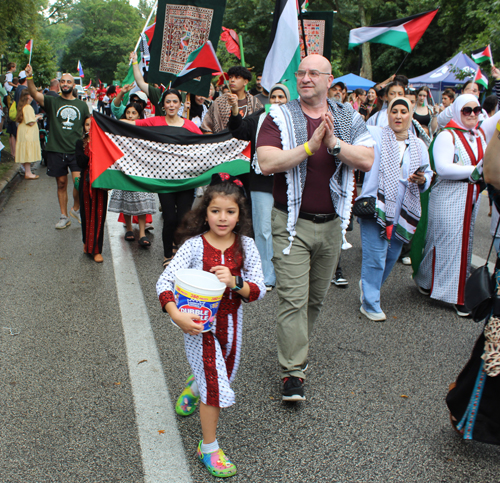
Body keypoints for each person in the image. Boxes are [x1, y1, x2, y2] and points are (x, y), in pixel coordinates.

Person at [256, 54, 374, 401]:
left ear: (328, 79)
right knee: (293, 299)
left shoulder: (347, 116)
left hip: (333, 224)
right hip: (291, 224)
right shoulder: (277, 115)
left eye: (313, 73)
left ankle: (296, 347)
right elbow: (266, 162)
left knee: (315, 300)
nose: (306, 78)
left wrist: (334, 144)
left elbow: (366, 158)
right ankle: (293, 372)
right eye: (301, 73)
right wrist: (309, 146)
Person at [156, 174, 265, 478]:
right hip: (198, 330)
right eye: (215, 210)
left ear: (240, 214)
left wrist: (235, 281)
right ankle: (209, 447)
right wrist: (176, 315)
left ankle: (194, 385)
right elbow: (165, 282)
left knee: (220, 377)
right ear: (205, 212)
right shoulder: (192, 247)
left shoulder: (247, 247)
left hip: (232, 329)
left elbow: (258, 289)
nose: (222, 217)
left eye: (230, 211)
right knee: (215, 389)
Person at [413, 95, 500, 316]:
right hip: (448, 197)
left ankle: (425, 279)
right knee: (452, 246)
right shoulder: (447, 135)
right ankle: (456, 296)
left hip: (469, 198)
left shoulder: (479, 133)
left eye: (476, 109)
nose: (472, 114)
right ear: (456, 111)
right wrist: (475, 171)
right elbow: (442, 168)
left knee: (447, 243)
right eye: (466, 110)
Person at [358, 97, 432, 321]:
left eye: (403, 111)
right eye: (394, 111)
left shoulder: (419, 144)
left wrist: (422, 179)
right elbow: (353, 125)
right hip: (376, 205)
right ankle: (370, 303)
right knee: (376, 256)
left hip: (404, 208)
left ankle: (369, 285)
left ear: (411, 116)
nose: (398, 116)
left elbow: (428, 174)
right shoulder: (375, 135)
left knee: (392, 254)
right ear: (387, 114)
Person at [123, 88, 202, 264]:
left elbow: (203, 146)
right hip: (164, 180)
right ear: (163, 105)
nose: (172, 105)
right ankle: (168, 254)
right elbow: (132, 124)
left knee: (183, 217)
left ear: (180, 104)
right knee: (170, 217)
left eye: (175, 101)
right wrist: (103, 121)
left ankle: (176, 244)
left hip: (186, 181)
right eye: (168, 102)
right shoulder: (156, 121)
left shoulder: (191, 126)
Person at [227, 83, 291, 290]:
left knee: (289, 228)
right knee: (263, 229)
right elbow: (238, 130)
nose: (277, 101)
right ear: (268, 100)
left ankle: (289, 272)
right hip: (262, 181)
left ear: (288, 100)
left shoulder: (296, 120)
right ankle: (266, 275)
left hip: (289, 182)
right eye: (274, 97)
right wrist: (235, 110)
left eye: (282, 97)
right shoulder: (258, 118)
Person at [25, 64, 90, 229]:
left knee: (79, 183)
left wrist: (89, 140)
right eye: (63, 81)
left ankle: (76, 209)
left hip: (75, 150)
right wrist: (30, 76)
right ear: (60, 84)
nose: (65, 84)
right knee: (61, 183)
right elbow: (33, 93)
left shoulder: (82, 106)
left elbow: (88, 125)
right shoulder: (52, 101)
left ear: (73, 85)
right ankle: (63, 216)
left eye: (68, 81)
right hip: (56, 149)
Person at [109, 102, 157, 247]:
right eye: (128, 112)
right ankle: (129, 228)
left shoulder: (144, 129)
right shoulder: (120, 129)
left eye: (134, 113)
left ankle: (142, 233)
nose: (130, 115)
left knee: (142, 199)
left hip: (141, 169)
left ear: (139, 115)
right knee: (126, 198)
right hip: (124, 168)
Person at [76, 116, 108, 263]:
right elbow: (81, 163)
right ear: (84, 127)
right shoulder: (79, 143)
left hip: (100, 182)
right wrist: (90, 147)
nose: (89, 127)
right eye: (87, 125)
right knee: (86, 214)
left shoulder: (103, 142)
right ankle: (86, 243)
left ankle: (96, 249)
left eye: (92, 125)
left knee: (99, 215)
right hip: (85, 182)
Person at [201, 66, 263, 134]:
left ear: (245, 82)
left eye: (237, 77)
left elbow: (261, 127)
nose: (232, 80)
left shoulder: (255, 102)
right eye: (230, 77)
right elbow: (206, 127)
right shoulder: (219, 102)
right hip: (223, 142)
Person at [14, 90, 41, 180]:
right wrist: (37, 117)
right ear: (28, 96)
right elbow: (30, 122)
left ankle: (27, 171)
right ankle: (28, 172)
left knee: (26, 151)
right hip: (28, 132)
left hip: (23, 131)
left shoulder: (23, 106)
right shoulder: (28, 107)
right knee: (28, 151)